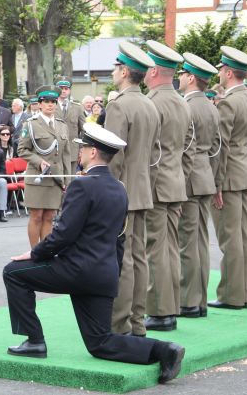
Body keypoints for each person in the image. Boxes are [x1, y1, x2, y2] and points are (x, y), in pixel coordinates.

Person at [2, 123, 185, 384]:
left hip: (77, 271)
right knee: (100, 342)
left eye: (84, 147)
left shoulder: (82, 186)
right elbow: (120, 239)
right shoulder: (120, 189)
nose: (80, 152)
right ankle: (163, 350)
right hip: (104, 273)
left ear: (93, 153)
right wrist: (114, 272)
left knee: (13, 272)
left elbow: (63, 235)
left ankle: (34, 340)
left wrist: (35, 254)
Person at [103, 41, 159, 337]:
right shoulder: (149, 104)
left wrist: (106, 192)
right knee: (139, 258)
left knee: (122, 260)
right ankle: (137, 322)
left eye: (116, 68)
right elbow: (154, 152)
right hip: (142, 189)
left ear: (124, 72)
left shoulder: (120, 105)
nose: (114, 73)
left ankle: (119, 324)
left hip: (122, 192)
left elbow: (113, 156)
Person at [143, 40, 194, 332]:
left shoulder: (153, 103)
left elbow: (148, 151)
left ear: (152, 71)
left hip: (157, 185)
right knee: (170, 247)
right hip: (175, 182)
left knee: (156, 249)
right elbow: (187, 146)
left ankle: (160, 311)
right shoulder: (180, 102)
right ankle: (169, 308)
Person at [209, 46, 247, 310]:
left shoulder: (229, 102)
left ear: (228, 72)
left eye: (220, 70)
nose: (219, 73)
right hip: (245, 174)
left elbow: (221, 148)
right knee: (243, 236)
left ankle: (231, 295)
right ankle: (244, 293)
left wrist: (216, 184)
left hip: (229, 176)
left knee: (230, 237)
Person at [177, 52, 219, 319]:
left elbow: (186, 150)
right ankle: (200, 299)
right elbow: (216, 149)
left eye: (182, 74)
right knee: (200, 241)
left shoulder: (187, 106)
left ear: (191, 78)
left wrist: (180, 184)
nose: (179, 78)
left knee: (187, 243)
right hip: (205, 177)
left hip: (190, 179)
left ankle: (188, 301)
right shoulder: (212, 107)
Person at [18, 85, 70, 248]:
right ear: (39, 104)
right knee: (36, 216)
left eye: (53, 102)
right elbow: (22, 150)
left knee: (49, 216)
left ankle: (44, 252)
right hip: (37, 178)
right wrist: (38, 161)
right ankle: (34, 252)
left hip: (55, 178)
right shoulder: (31, 124)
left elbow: (66, 155)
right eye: (46, 101)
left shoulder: (62, 125)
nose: (50, 105)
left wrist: (66, 180)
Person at [55, 78, 86, 174]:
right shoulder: (51, 106)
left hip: (73, 150)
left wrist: (81, 148)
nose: (63, 91)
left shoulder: (77, 107)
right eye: (60, 88)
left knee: (71, 179)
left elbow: (83, 130)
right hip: (55, 149)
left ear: (69, 91)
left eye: (66, 88)